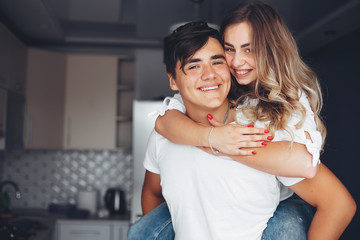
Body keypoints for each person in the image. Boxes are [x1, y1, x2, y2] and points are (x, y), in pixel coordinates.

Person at [128, 16, 356, 240]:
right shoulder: (165, 134)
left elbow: (338, 204)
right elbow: (152, 192)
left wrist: (228, 147)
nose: (209, 74)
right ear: (173, 81)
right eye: (194, 65)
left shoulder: (260, 127)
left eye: (217, 62)